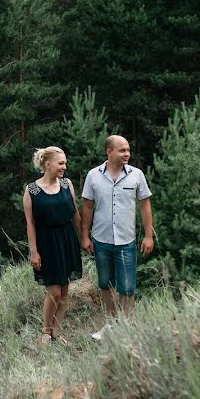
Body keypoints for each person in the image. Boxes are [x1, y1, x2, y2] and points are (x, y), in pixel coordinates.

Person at [80, 135, 154, 341]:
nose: (127, 154)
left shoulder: (136, 175)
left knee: (128, 286)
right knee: (105, 283)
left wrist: (148, 235)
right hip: (101, 240)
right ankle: (111, 325)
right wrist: (84, 236)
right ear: (109, 152)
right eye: (122, 150)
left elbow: (145, 204)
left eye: (128, 150)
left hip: (126, 240)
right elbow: (87, 206)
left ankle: (127, 327)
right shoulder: (93, 176)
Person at [22, 146, 83, 345]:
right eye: (61, 163)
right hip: (46, 242)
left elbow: (75, 213)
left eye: (65, 163)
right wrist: (33, 251)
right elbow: (30, 222)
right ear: (47, 165)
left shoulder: (67, 184)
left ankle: (57, 331)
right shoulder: (31, 190)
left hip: (67, 239)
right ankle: (46, 331)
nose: (64, 166)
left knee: (65, 290)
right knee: (54, 291)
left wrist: (83, 237)